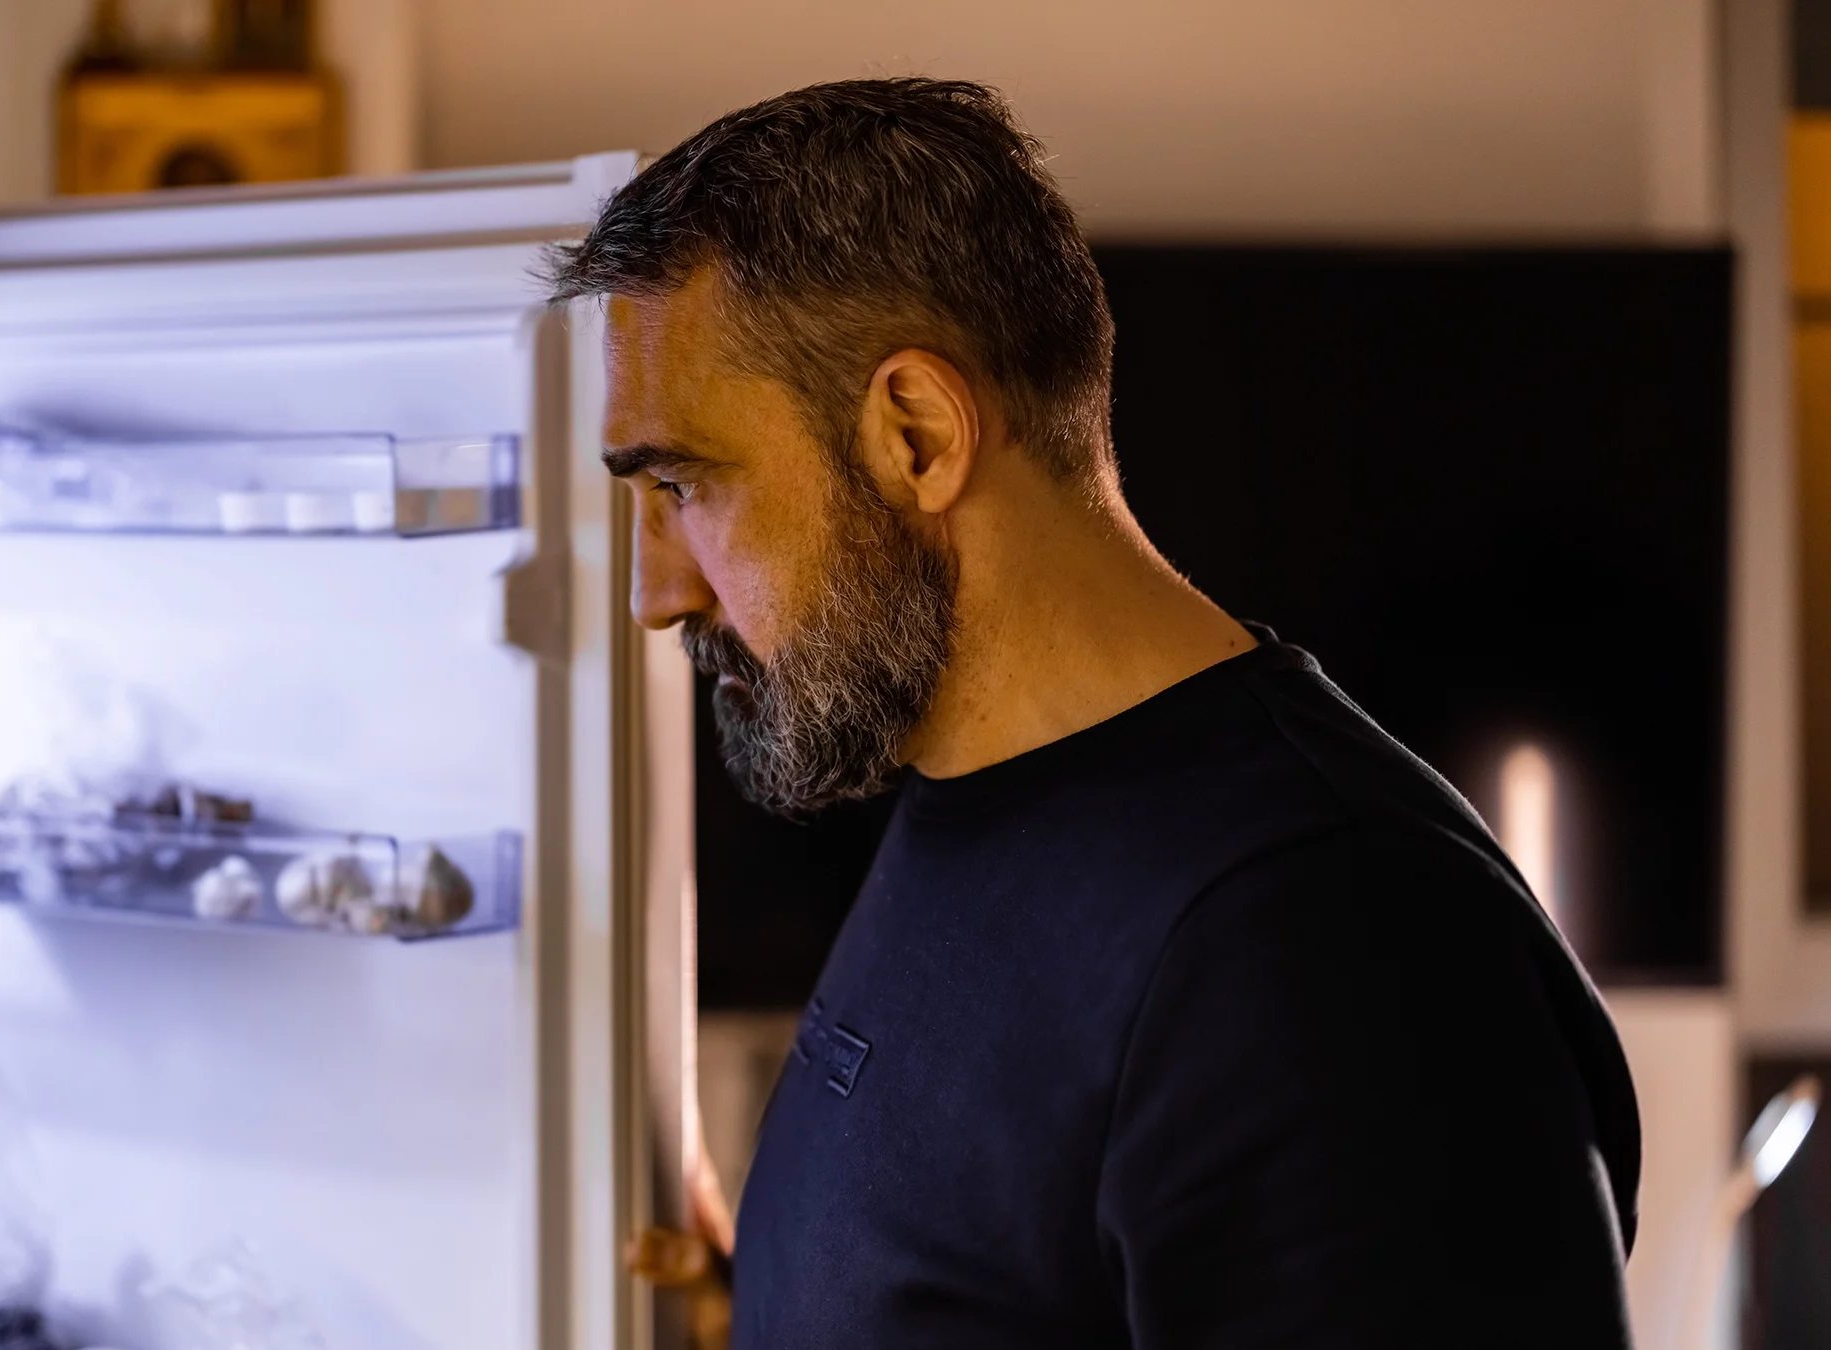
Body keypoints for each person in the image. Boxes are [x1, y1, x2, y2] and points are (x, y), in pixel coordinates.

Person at [547, 78, 1639, 1349]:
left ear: (915, 434)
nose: (654, 595)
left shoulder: (1324, 941)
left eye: (683, 484)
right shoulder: (971, 791)